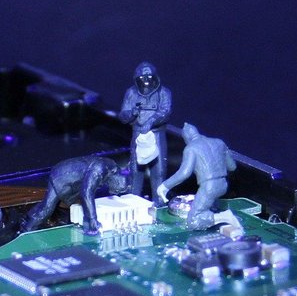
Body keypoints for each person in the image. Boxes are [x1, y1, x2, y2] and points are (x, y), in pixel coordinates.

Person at [157, 123, 237, 230]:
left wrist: (165, 186)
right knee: (207, 205)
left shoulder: (191, 149)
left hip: (209, 187)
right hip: (223, 184)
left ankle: (225, 217)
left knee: (194, 221)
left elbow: (184, 173)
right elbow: (232, 167)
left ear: (186, 137)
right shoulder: (219, 142)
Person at [20, 156, 128, 235]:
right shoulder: (99, 170)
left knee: (73, 207)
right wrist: (92, 219)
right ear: (116, 181)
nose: (112, 192)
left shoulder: (114, 169)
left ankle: (30, 219)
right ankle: (26, 229)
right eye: (115, 190)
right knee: (48, 207)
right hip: (62, 176)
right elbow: (87, 193)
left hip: (75, 180)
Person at [118, 62, 172, 206]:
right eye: (142, 77)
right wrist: (132, 113)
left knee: (159, 171)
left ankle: (159, 205)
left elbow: (165, 112)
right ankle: (133, 204)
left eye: (149, 75)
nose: (146, 79)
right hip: (138, 135)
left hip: (157, 135)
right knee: (135, 171)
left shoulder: (164, 93)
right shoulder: (131, 93)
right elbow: (123, 115)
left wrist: (151, 121)